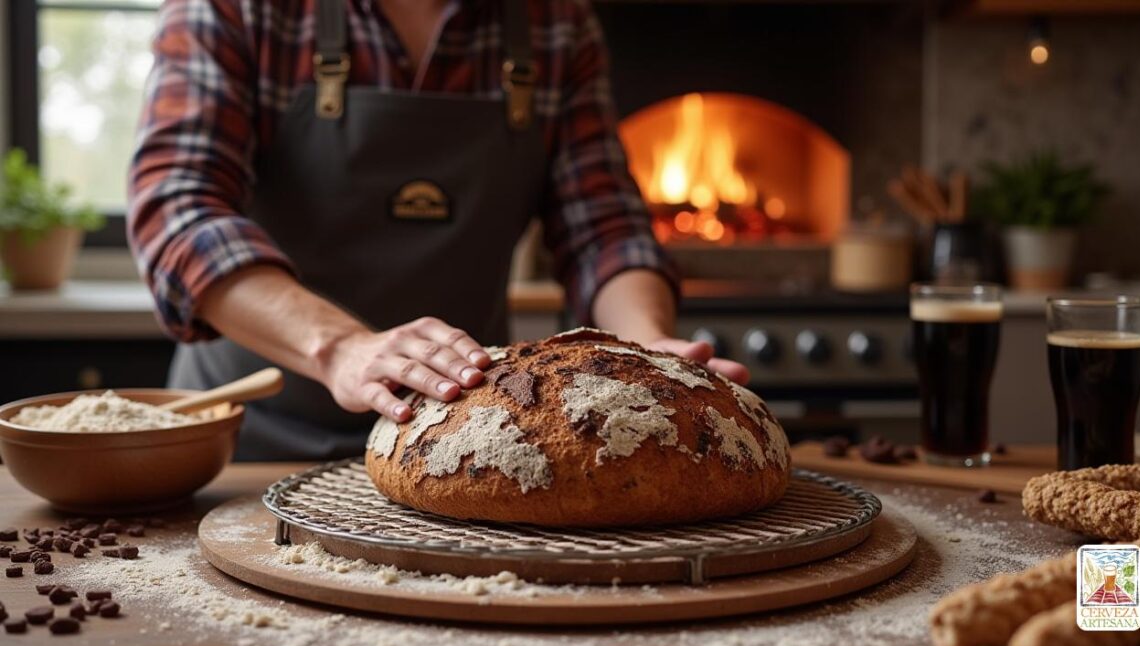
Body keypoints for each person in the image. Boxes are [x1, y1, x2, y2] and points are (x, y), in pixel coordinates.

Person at [128, 0, 747, 460]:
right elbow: (177, 211)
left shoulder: (553, 22)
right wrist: (343, 348)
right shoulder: (236, 9)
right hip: (251, 444)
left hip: (466, 445)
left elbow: (604, 228)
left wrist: (644, 346)